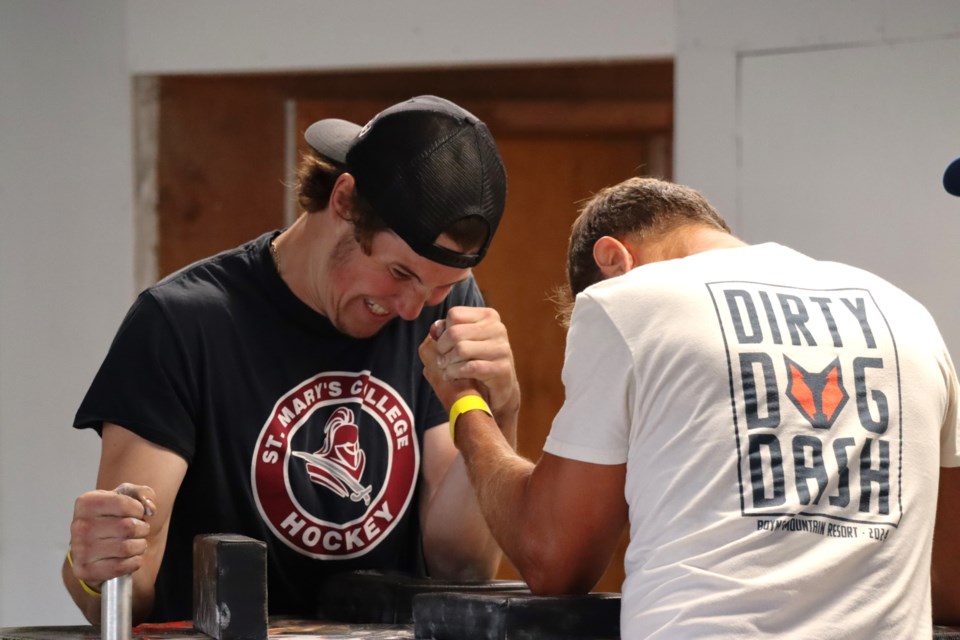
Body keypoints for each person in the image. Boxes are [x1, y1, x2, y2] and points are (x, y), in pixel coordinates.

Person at [420, 176, 960, 638]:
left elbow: (552, 556)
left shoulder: (627, 301)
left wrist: (466, 406)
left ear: (612, 259)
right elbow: (951, 582)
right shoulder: (908, 318)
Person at [64, 95, 521, 624]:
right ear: (345, 199)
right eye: (399, 274)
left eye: (442, 287)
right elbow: (126, 592)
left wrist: (499, 413)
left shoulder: (446, 315)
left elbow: (459, 565)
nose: (412, 309)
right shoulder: (180, 326)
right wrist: (93, 569)